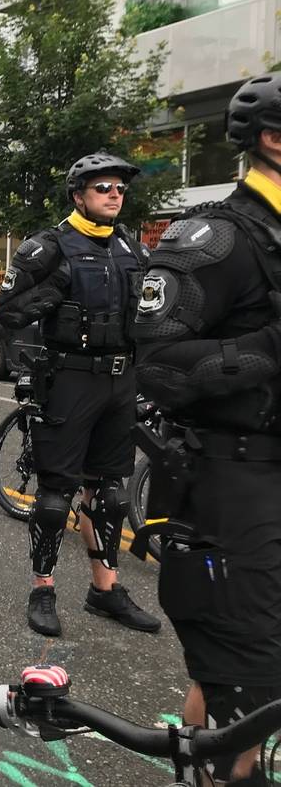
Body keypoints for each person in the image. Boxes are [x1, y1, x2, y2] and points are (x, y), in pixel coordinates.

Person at [134, 72, 281, 786]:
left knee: (239, 665)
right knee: (248, 675)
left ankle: (199, 765)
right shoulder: (216, 238)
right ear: (273, 141)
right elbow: (159, 364)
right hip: (231, 484)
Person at [0, 152, 160, 638]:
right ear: (78, 195)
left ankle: (104, 591)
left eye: (119, 189)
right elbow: (8, 310)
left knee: (109, 494)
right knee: (54, 496)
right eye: (104, 187)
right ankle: (42, 589)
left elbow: (150, 312)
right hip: (69, 381)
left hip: (120, 381)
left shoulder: (130, 246)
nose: (114, 195)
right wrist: (58, 292)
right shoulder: (50, 247)